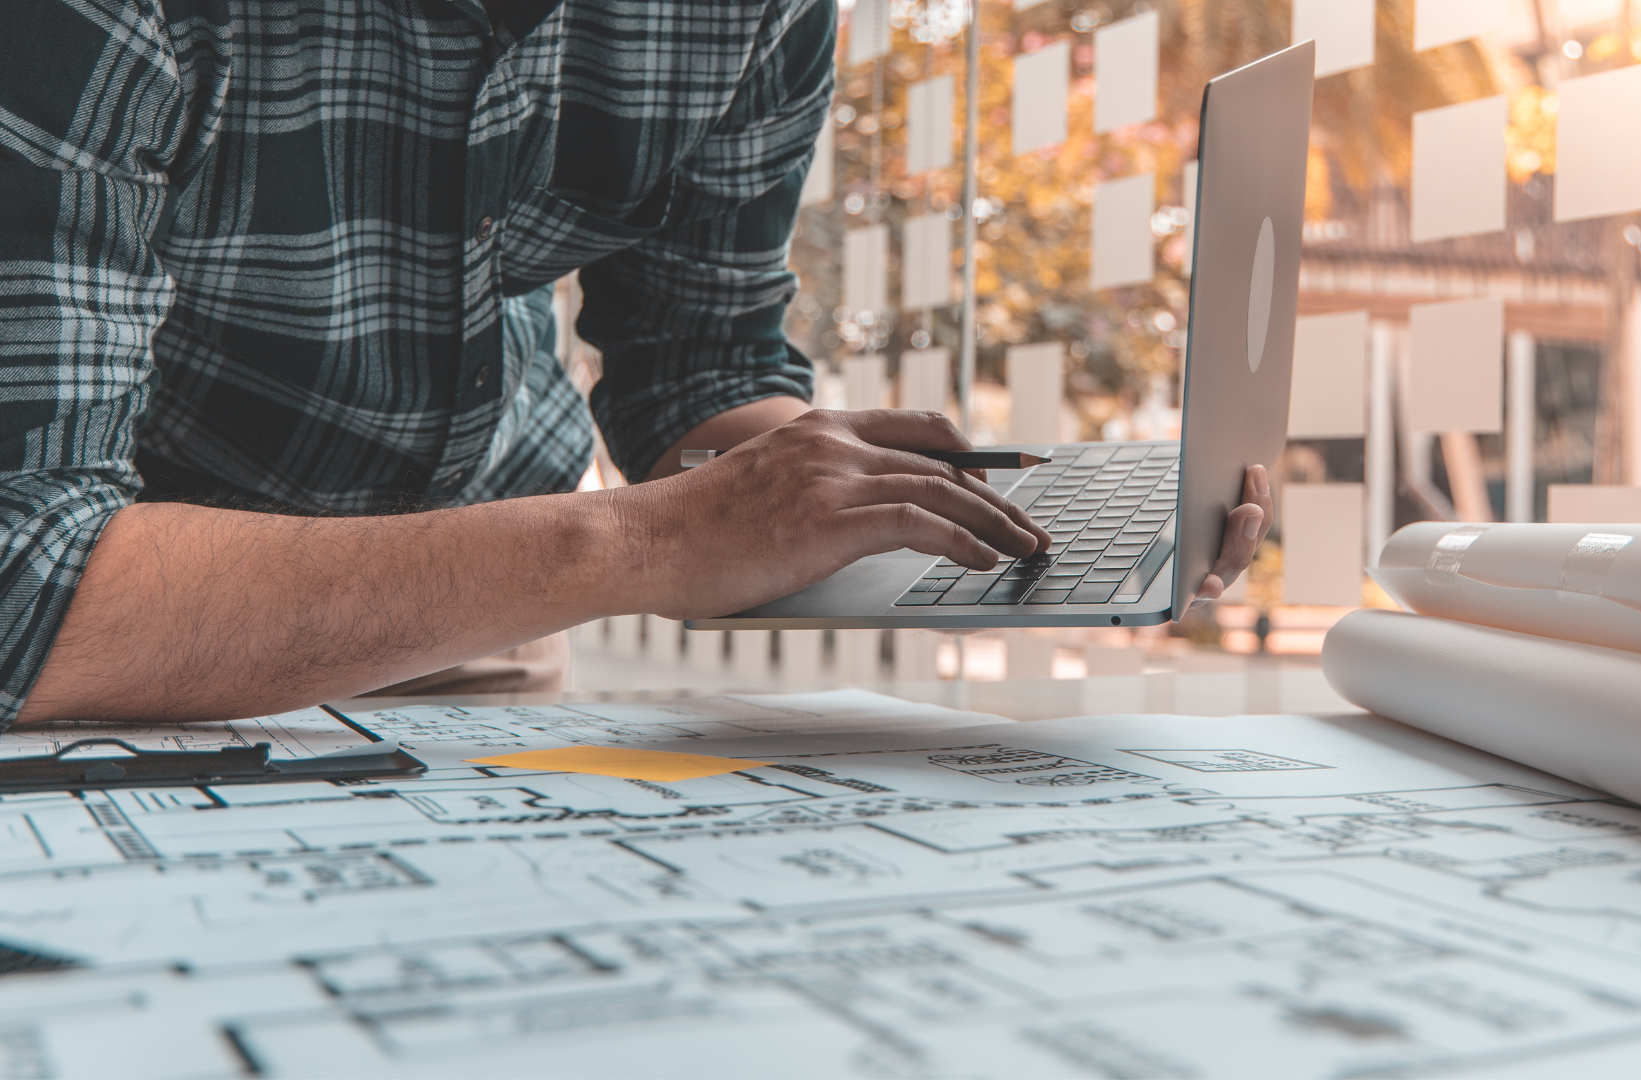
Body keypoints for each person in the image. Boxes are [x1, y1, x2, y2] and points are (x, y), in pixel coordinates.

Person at [0, 0, 1270, 728]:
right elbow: (26, 579)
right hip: (136, 647)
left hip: (489, 641)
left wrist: (838, 502)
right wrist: (642, 545)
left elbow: (698, 357)